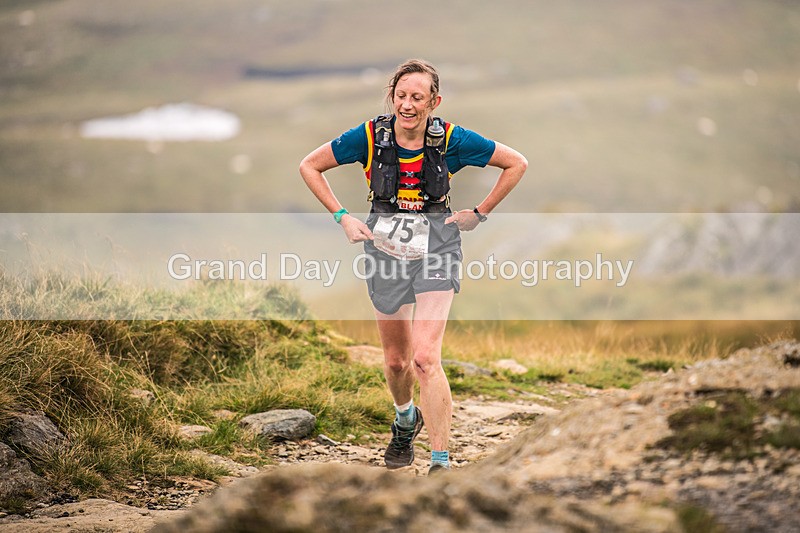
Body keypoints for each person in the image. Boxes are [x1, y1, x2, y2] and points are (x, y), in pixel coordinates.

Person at [299, 59, 527, 475]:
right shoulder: (368, 137)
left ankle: (440, 463)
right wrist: (343, 216)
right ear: (393, 97)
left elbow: (517, 163)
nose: (407, 105)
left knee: (425, 357)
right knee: (396, 362)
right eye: (401, 96)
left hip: (438, 247)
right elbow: (309, 166)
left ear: (433, 102)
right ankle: (406, 419)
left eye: (417, 98)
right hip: (384, 251)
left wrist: (479, 212)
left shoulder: (453, 140)